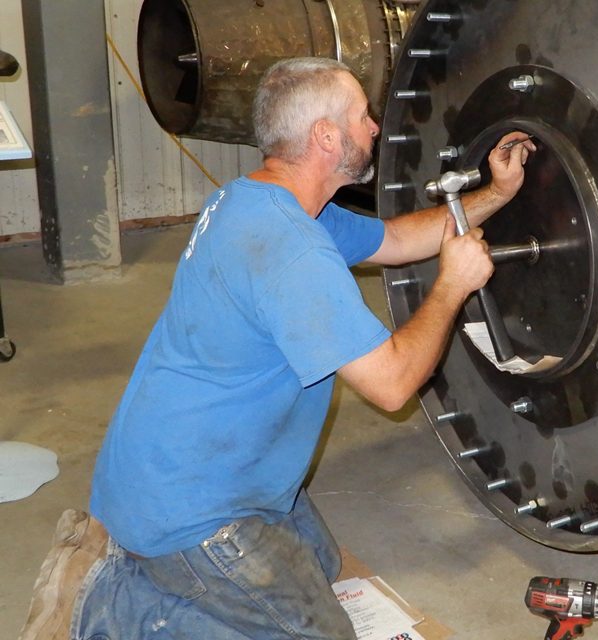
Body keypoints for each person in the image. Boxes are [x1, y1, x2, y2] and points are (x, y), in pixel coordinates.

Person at [20, 57, 535, 639]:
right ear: (325, 137)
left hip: (196, 470)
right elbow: (393, 385)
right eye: (363, 116)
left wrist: (497, 191)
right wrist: (452, 285)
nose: (374, 126)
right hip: (192, 511)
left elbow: (395, 238)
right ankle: (109, 607)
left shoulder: (265, 202)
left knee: (322, 566)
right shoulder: (291, 250)